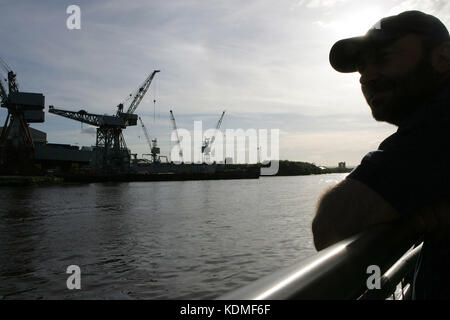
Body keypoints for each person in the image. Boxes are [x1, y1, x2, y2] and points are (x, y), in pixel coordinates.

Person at [312, 10, 450, 299]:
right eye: (362, 68)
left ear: (443, 57)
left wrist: (407, 220)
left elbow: (332, 225)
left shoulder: (440, 122)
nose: (367, 77)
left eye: (384, 58)